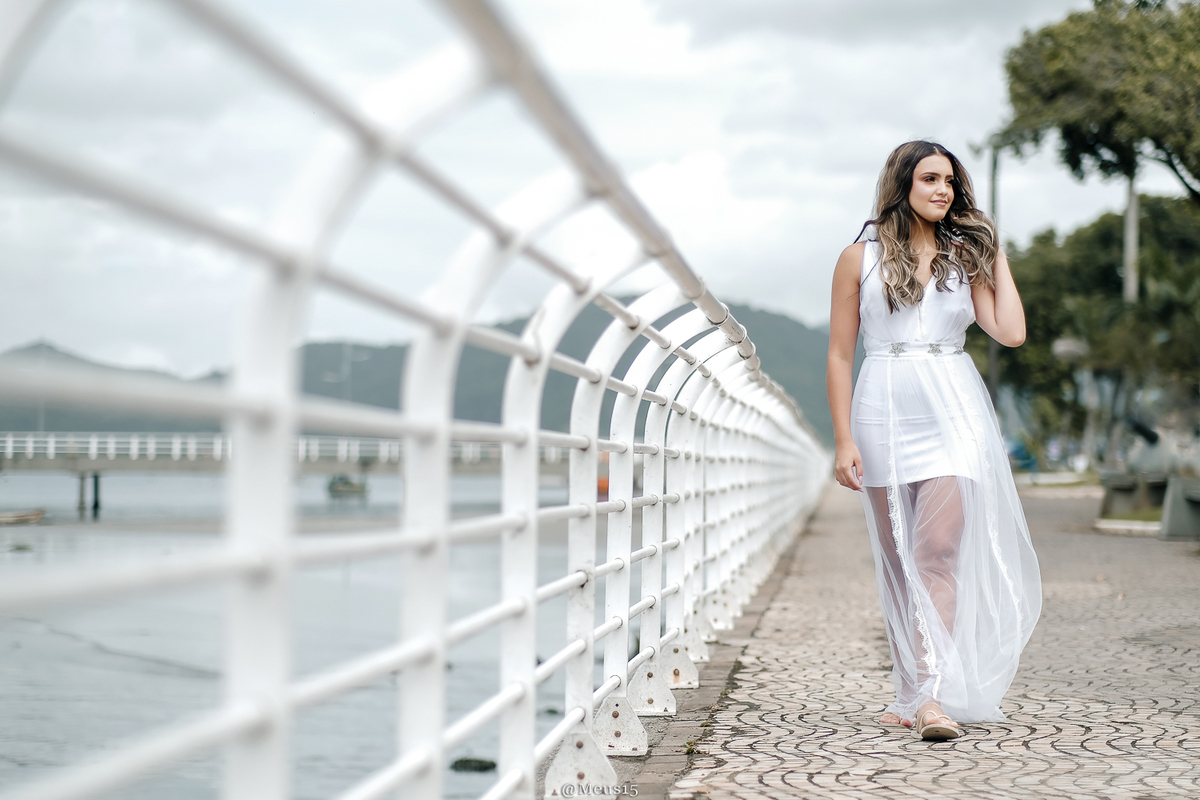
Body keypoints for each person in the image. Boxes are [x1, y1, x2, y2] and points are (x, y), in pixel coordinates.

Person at [825, 140, 1042, 740]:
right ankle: (910, 690)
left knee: (937, 553)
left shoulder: (963, 257)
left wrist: (992, 250)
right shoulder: (858, 258)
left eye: (949, 181)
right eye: (929, 179)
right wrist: (843, 439)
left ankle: (931, 697)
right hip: (882, 406)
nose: (943, 190)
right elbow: (840, 354)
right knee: (899, 561)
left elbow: (1011, 332)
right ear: (902, 185)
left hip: (954, 408)